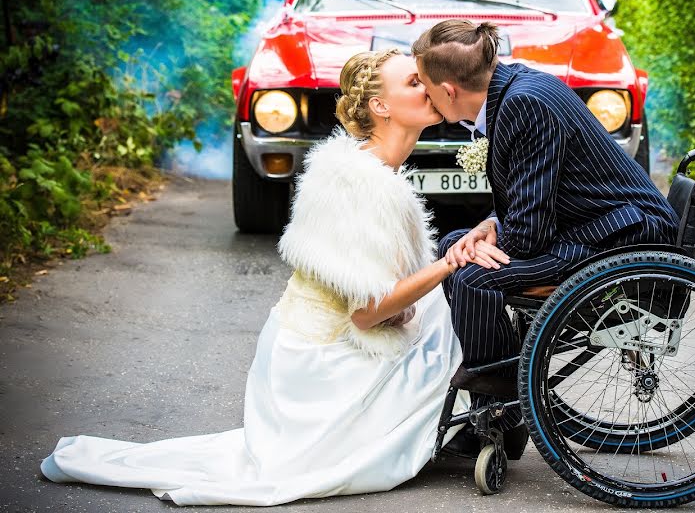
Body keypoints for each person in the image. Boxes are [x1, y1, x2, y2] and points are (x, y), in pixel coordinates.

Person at [39, 49, 470, 506]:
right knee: (450, 307)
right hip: (319, 370)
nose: (429, 87)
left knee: (439, 306)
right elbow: (366, 314)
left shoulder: (371, 170)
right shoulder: (363, 186)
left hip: (303, 349)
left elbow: (381, 293)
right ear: (380, 107)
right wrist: (448, 262)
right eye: (413, 82)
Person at [411, 20, 680, 445]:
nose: (424, 95)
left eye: (424, 85)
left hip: (621, 237)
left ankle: (500, 410)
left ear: (449, 90)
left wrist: (485, 244)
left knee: (471, 275)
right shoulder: (513, 88)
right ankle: (501, 393)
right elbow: (532, 198)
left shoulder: (524, 104)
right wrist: (488, 228)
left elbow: (530, 236)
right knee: (454, 247)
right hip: (590, 224)